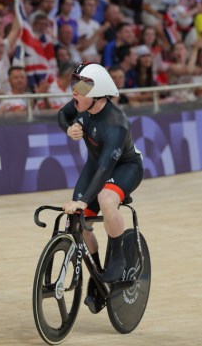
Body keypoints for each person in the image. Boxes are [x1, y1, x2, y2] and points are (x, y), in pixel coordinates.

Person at [58, 63, 143, 313]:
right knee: (79, 223)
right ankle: (97, 277)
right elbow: (61, 116)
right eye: (75, 85)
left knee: (106, 200)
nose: (74, 92)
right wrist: (69, 128)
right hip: (96, 167)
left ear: (97, 95)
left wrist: (83, 201)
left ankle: (117, 256)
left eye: (81, 88)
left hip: (124, 168)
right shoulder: (81, 104)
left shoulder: (116, 123)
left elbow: (107, 168)